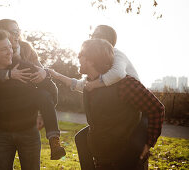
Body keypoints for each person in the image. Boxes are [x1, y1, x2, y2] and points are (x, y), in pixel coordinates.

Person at [49, 39, 165, 169]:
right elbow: (75, 84)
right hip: (102, 156)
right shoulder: (89, 85)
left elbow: (156, 109)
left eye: (81, 54)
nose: (78, 56)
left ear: (91, 60)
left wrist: (148, 144)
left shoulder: (125, 84)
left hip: (126, 158)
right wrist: (56, 75)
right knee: (80, 138)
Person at [0, 27, 65, 169]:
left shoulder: (24, 67)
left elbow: (51, 91)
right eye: (3, 49)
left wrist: (42, 115)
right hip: (2, 132)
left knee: (43, 95)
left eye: (10, 46)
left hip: (28, 131)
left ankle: (54, 140)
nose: (10, 52)